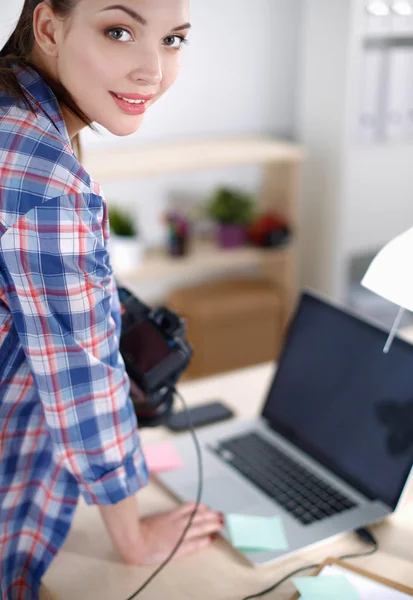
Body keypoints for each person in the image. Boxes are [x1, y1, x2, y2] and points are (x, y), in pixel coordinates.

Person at [0, 1, 224, 598]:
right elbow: (85, 387)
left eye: (173, 40)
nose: (152, 70)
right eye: (119, 31)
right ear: (48, 27)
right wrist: (134, 539)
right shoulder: (45, 180)